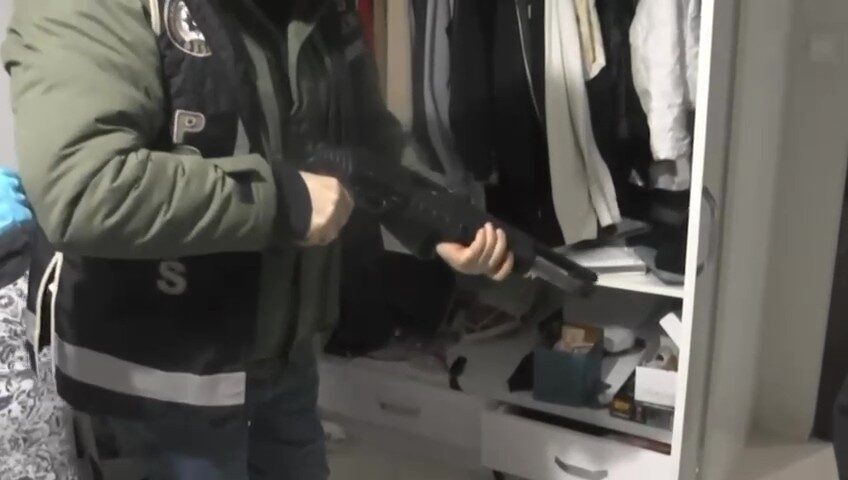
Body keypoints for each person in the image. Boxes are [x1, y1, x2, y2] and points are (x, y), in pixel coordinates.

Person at [1, 0, 514, 479]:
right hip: (155, 388)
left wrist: (431, 219)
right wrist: (284, 202)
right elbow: (84, 189)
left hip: (283, 363)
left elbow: (362, 133)